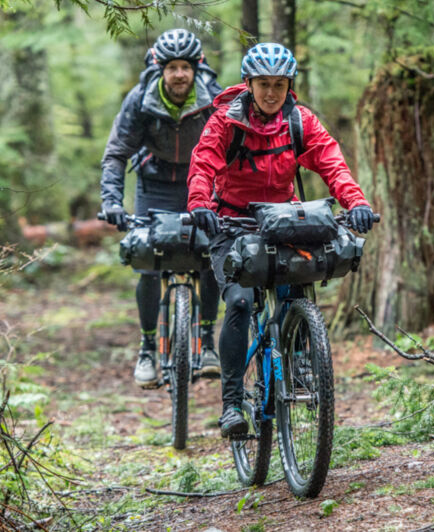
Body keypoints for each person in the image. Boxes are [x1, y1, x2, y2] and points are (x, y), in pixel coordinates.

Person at [186, 43, 376, 437]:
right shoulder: (225, 121)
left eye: (279, 84)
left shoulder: (299, 120)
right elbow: (203, 162)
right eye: (263, 84)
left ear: (289, 84)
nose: (271, 92)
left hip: (283, 220)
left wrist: (356, 202)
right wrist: (200, 203)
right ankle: (232, 404)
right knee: (238, 302)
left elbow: (331, 162)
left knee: (298, 285)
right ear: (248, 84)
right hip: (231, 222)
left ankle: (303, 358)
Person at [100, 29, 224, 388]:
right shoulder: (140, 99)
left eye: (186, 67)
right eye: (173, 68)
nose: (180, 74)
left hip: (202, 183)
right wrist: (111, 202)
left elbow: (232, 149)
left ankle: (209, 341)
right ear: (160, 68)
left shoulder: (214, 97)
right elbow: (116, 153)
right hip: (153, 185)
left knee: (211, 256)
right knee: (148, 262)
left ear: (197, 67)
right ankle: (148, 347)